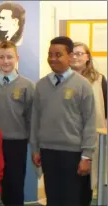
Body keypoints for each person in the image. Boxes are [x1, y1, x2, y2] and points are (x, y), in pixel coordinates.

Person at [30, 36, 96, 206]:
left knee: (72, 199)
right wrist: (35, 148)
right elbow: (35, 118)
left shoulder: (82, 85)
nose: (52, 58)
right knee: (53, 198)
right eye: (50, 54)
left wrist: (86, 156)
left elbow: (90, 121)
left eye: (58, 54)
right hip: (47, 152)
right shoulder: (41, 85)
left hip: (73, 154)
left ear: (69, 56)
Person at [0, 40, 34, 205]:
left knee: (15, 184)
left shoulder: (27, 85)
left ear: (17, 58)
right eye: (2, 57)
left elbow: (31, 117)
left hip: (17, 143)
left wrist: (34, 146)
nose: (5, 61)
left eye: (9, 57)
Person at [70, 42, 107, 206]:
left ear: (87, 57)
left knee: (87, 177)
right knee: (70, 177)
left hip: (91, 136)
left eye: (80, 53)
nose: (76, 56)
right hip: (69, 136)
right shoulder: (63, 79)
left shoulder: (99, 79)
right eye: (73, 53)